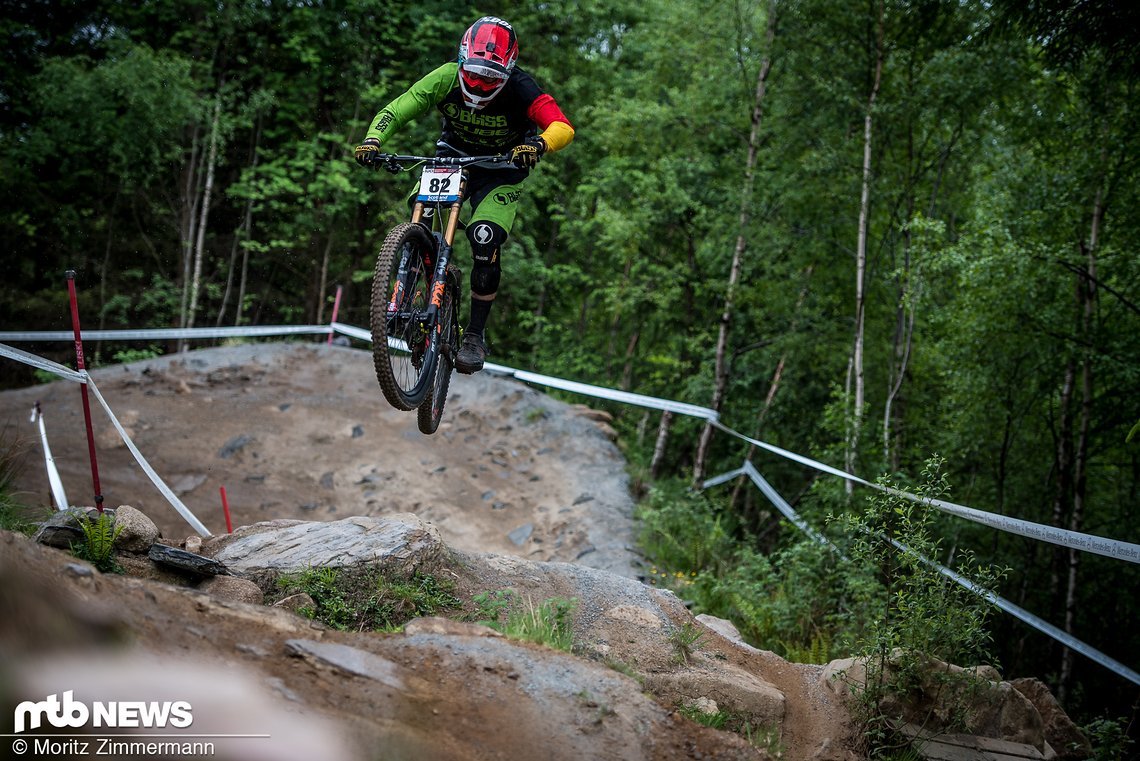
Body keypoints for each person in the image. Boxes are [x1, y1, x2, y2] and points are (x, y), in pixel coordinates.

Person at [354, 16, 575, 374]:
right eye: (473, 72)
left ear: (508, 69)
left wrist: (539, 143)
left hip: (502, 169)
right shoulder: (444, 77)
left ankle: (474, 334)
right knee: (421, 215)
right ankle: (411, 290)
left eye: (490, 76)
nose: (480, 81)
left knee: (484, 237)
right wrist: (373, 140)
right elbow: (398, 108)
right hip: (452, 158)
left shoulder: (521, 87)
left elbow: (562, 126)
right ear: (461, 60)